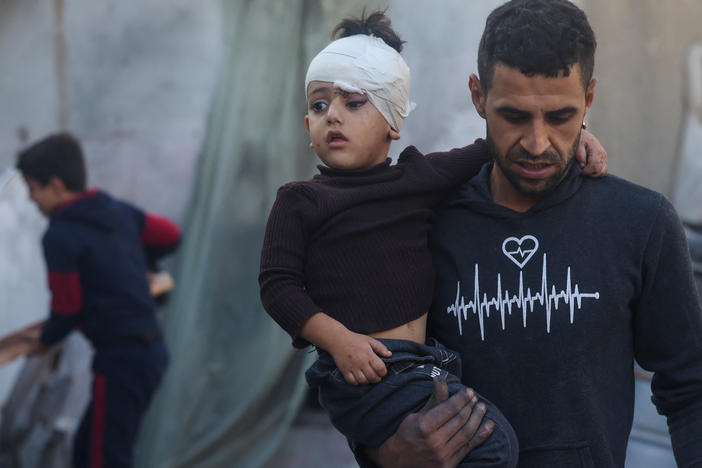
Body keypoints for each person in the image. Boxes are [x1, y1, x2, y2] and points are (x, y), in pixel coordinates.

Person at [258, 10, 607, 467]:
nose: (333, 117)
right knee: (495, 446)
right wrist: (340, 340)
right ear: (308, 129)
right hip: (365, 372)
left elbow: (499, 145)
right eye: (319, 106)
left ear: (393, 121)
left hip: (425, 362)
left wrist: (576, 131)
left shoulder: (418, 178)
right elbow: (277, 285)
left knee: (484, 439)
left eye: (354, 103)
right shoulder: (300, 200)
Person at [368, 1, 702, 467]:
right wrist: (383, 452)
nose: (538, 142)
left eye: (561, 117)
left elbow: (690, 389)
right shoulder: (424, 223)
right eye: (516, 116)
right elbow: (370, 373)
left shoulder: (640, 223)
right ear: (477, 95)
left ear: (589, 98)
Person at [16, 132, 181, 468]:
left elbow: (67, 308)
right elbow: (170, 236)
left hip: (121, 360)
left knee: (104, 459)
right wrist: (141, 263)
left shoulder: (60, 235)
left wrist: (42, 340)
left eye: (33, 189)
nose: (31, 200)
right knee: (88, 450)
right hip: (151, 354)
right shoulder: (117, 211)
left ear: (57, 186)